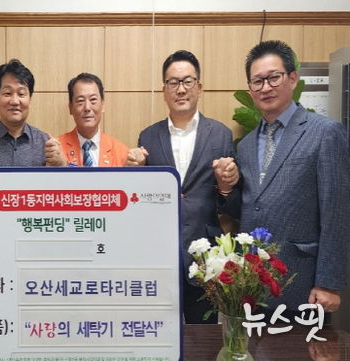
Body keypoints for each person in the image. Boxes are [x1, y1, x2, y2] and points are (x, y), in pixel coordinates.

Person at [221, 40, 350, 316]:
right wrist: (225, 188)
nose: (266, 87)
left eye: (273, 77)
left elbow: (337, 213)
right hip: (252, 283)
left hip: (302, 280)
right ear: (250, 89)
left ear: (292, 78)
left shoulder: (325, 133)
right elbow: (251, 205)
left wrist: (329, 284)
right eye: (257, 81)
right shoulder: (245, 145)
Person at [127, 50, 238, 323]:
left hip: (205, 256)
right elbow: (141, 201)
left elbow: (232, 203)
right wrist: (135, 172)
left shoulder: (220, 134)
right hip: (160, 256)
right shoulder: (148, 137)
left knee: (204, 335)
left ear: (199, 87)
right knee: (159, 330)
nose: (181, 89)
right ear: (163, 90)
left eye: (187, 81)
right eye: (173, 82)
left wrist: (225, 186)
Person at [0, 59, 65, 167]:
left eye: (21, 94)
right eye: (7, 93)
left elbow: (63, 177)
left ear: (30, 99)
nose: (15, 101)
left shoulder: (46, 143)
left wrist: (61, 164)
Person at [57, 72, 129, 166]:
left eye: (93, 100)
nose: (87, 107)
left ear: (102, 105)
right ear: (70, 108)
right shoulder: (57, 150)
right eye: (80, 101)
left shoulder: (121, 152)